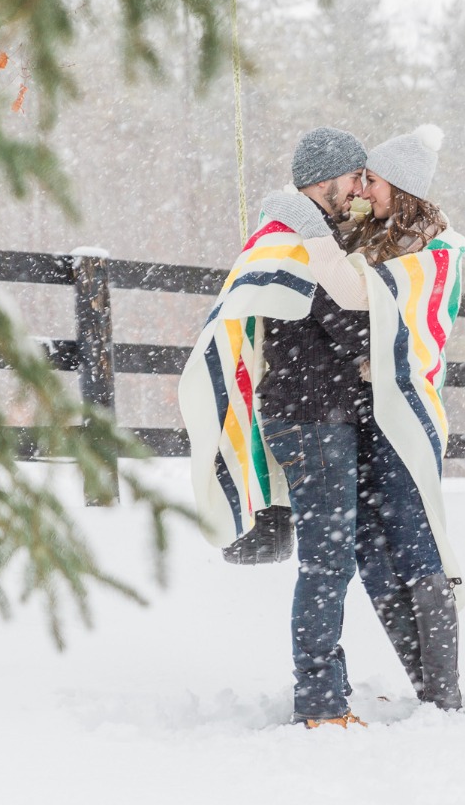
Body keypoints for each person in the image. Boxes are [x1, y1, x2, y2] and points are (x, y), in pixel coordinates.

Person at [268, 124, 465, 711]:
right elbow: (349, 313)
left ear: (399, 188)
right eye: (359, 178)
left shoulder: (428, 248)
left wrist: (380, 358)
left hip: (393, 416)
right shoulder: (360, 236)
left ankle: (441, 693)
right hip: (345, 417)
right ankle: (410, 691)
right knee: (368, 552)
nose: (362, 190)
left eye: (372, 180)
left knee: (410, 542)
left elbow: (396, 323)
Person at [182, 125, 371, 729]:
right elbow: (346, 326)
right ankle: (319, 699)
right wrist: (387, 338)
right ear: (325, 179)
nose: (359, 189)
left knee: (331, 557)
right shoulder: (300, 245)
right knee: (327, 560)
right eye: (353, 178)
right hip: (314, 418)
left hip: (312, 413)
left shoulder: (302, 237)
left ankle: (329, 688)